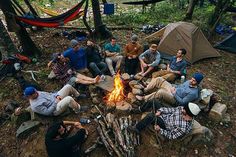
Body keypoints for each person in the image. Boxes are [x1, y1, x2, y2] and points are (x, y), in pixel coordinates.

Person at [128, 102, 201, 140]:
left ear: (188, 114)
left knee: (151, 116)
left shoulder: (183, 128)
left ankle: (137, 128)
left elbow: (172, 135)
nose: (182, 109)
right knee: (154, 101)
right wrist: (160, 111)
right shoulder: (182, 109)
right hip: (165, 116)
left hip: (165, 124)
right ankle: (139, 109)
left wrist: (160, 130)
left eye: (184, 110)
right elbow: (171, 110)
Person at [136, 72, 204, 106]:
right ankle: (145, 90)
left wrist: (174, 94)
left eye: (194, 81)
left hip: (175, 99)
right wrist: (175, 87)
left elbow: (182, 102)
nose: (191, 81)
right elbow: (180, 86)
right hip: (173, 89)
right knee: (159, 79)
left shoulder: (193, 93)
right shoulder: (188, 82)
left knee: (161, 92)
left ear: (197, 83)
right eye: (192, 79)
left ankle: (144, 98)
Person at [24, 85, 88, 116]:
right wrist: (56, 102)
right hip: (55, 110)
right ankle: (78, 109)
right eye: (34, 93)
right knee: (69, 99)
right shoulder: (35, 106)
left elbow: (50, 94)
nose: (37, 92)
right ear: (30, 96)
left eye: (35, 91)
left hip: (56, 99)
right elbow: (47, 112)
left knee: (68, 86)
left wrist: (56, 95)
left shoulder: (37, 92)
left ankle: (78, 95)